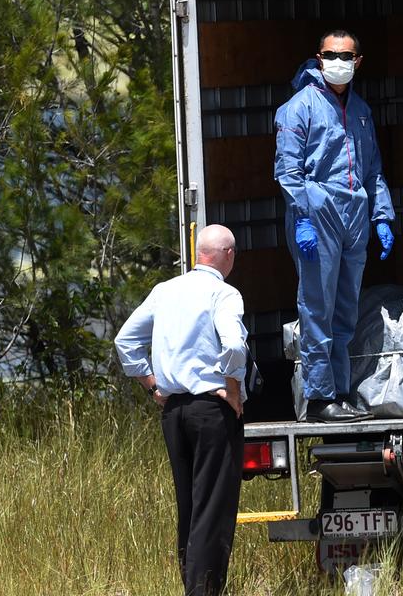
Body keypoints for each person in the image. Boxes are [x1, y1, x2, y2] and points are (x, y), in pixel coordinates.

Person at [114, 224, 248, 596]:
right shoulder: (224, 293)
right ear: (228, 255)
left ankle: (191, 585)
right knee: (213, 508)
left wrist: (153, 384)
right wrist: (234, 391)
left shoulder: (164, 291)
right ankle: (203, 591)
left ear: (197, 253)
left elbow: (125, 340)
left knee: (188, 506)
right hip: (211, 410)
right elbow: (235, 345)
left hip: (173, 412)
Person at [275, 29, 395, 422]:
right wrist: (303, 217)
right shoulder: (300, 107)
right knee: (317, 308)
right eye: (330, 54)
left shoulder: (360, 110)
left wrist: (381, 216)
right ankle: (318, 396)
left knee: (345, 309)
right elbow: (288, 170)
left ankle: (339, 393)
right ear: (319, 56)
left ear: (358, 62)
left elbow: (372, 167)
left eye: (346, 56)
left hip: (354, 214)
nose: (337, 62)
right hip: (318, 211)